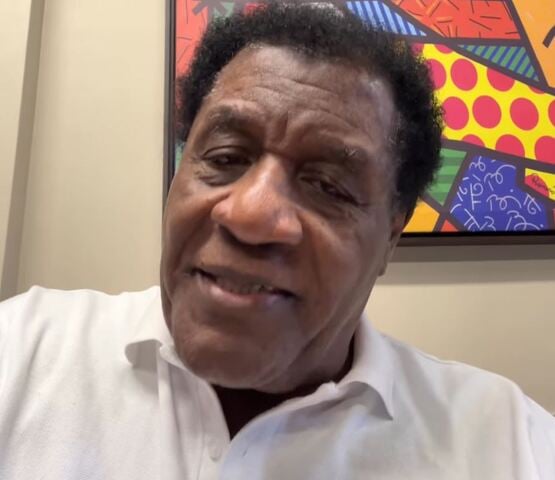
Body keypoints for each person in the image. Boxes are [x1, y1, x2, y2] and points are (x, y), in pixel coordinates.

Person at [0, 2, 553, 479]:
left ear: (390, 235)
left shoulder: (509, 444)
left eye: (328, 186)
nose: (250, 214)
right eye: (225, 157)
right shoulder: (25, 350)